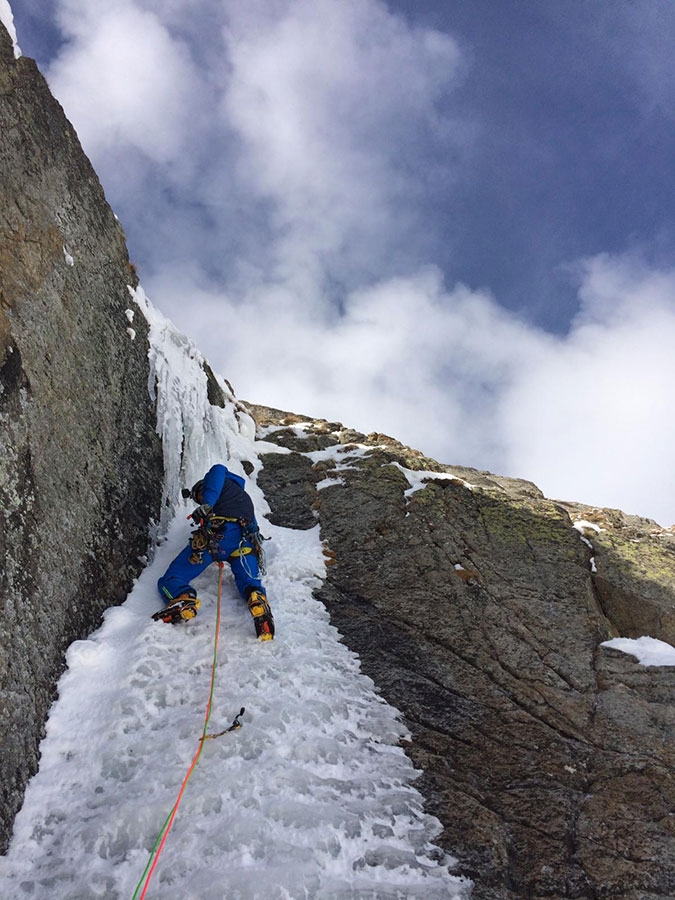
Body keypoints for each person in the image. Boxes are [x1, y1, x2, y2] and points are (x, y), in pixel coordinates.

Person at [153, 463, 274, 640]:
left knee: (170, 579)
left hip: (216, 539)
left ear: (204, 486)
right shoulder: (244, 498)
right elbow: (254, 528)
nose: (201, 499)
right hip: (244, 545)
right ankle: (257, 601)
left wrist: (207, 504)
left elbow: (218, 469)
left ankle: (183, 597)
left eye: (199, 496)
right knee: (250, 583)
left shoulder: (219, 479)